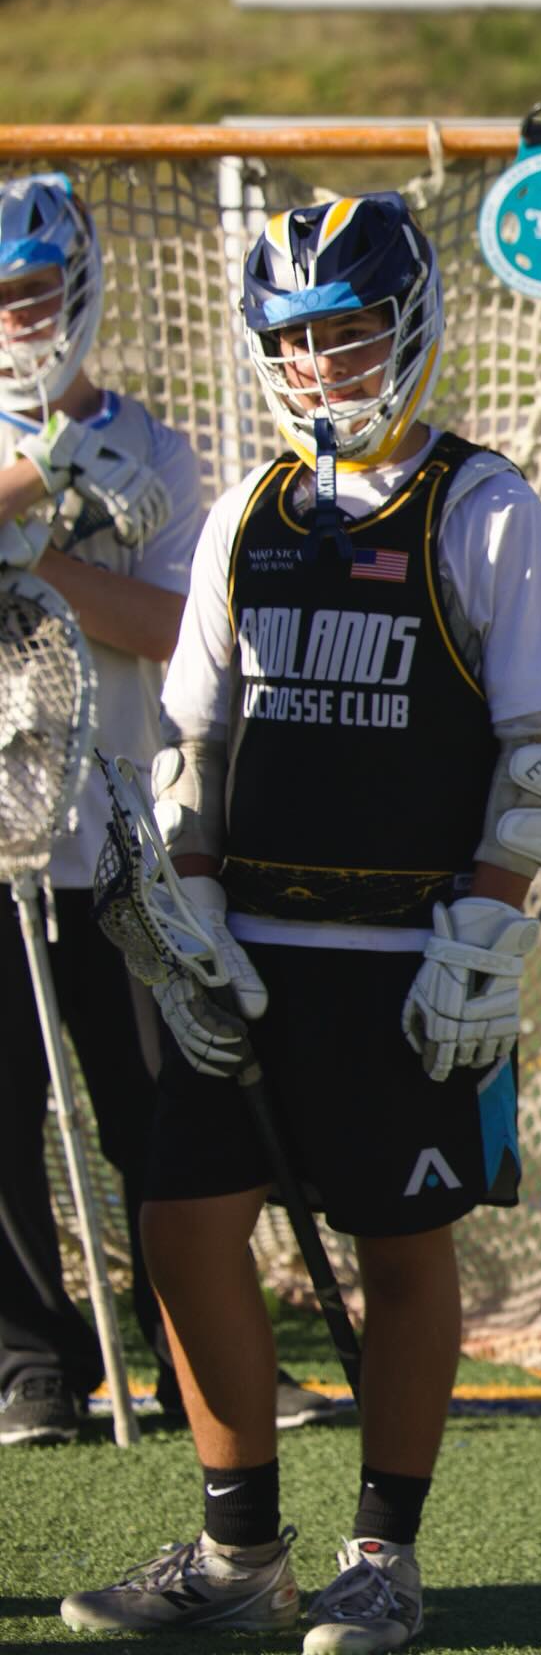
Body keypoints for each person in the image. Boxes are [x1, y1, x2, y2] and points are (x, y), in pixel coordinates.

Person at [60, 191, 541, 1652]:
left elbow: (540, 754)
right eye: (295, 340)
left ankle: (382, 1556)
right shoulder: (247, 513)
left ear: (407, 325)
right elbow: (196, 751)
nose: (321, 364)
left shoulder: (484, 508)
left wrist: (487, 927)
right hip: (254, 953)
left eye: (346, 332)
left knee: (404, 1246)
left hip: (415, 957)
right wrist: (198, 913)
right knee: (178, 1228)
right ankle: (240, 1557)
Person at [0, 172, 203, 1445]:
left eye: (31, 292)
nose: (20, 318)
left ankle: (199, 1352)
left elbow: (180, 637)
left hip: (121, 829)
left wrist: (42, 556)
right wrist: (32, 481)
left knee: (159, 1110)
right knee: (1, 1112)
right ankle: (30, 1365)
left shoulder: (161, 450)